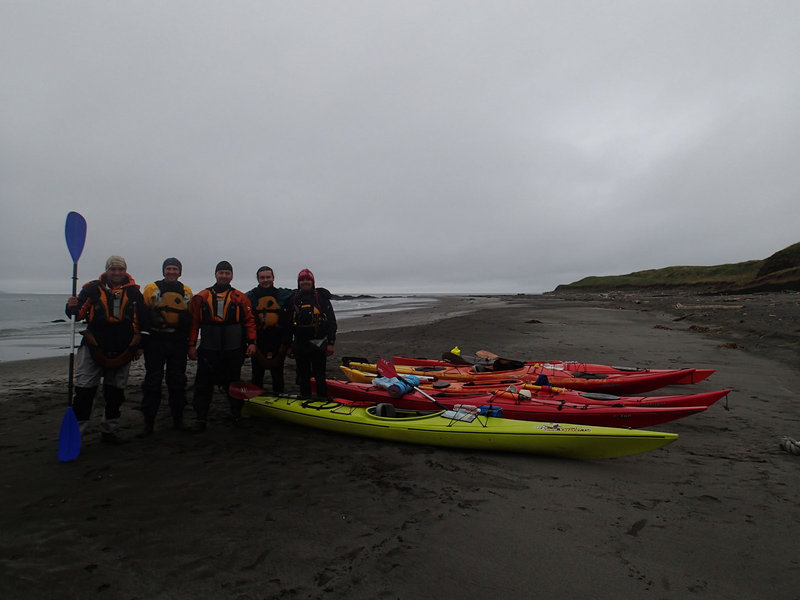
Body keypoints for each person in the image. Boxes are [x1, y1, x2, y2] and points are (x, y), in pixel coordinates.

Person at [65, 255, 148, 443]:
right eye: (113, 269)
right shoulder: (92, 289)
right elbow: (77, 315)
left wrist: (140, 346)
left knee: (115, 393)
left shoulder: (134, 293)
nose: (117, 273)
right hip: (94, 346)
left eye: (120, 269)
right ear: (107, 270)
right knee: (85, 391)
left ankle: (109, 430)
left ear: (125, 271)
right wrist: (70, 307)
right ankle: (76, 433)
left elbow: (143, 321)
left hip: (123, 349)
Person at [187, 261, 257, 430]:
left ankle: (237, 416)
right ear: (216, 274)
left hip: (233, 350)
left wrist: (252, 343)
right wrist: (191, 345)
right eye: (221, 273)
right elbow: (194, 323)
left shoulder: (240, 297)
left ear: (232, 276)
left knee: (234, 384)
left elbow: (249, 321)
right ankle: (201, 418)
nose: (224, 276)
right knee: (203, 384)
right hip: (208, 349)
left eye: (227, 273)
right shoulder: (202, 297)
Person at [138, 258, 193, 436]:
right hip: (156, 341)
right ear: (163, 271)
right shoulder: (151, 289)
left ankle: (178, 420)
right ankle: (149, 424)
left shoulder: (186, 291)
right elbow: (140, 315)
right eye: (168, 269)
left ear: (180, 272)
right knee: (152, 382)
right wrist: (141, 339)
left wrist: (189, 339)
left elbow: (191, 316)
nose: (171, 272)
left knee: (177, 382)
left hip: (177, 342)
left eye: (175, 269)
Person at [283, 268, 337, 398]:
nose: (305, 282)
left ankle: (322, 399)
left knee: (320, 376)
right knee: (303, 376)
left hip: (318, 344)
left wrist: (331, 343)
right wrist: (288, 345)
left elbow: (331, 323)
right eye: (302, 280)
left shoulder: (321, 298)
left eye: (308, 279)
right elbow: (287, 325)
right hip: (300, 345)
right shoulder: (293, 300)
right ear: (298, 282)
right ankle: (305, 399)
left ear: (312, 281)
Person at [245, 266, 293, 394]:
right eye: (262, 277)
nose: (265, 280)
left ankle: (279, 400)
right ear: (258, 279)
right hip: (258, 343)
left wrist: (320, 292)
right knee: (257, 375)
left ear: (273, 278)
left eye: (268, 277)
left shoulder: (282, 294)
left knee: (278, 376)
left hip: (278, 342)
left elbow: (299, 293)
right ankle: (256, 402)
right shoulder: (250, 296)